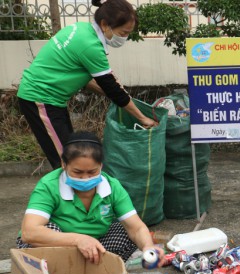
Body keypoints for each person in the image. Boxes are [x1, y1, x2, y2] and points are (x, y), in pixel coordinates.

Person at [17, 0, 157, 169]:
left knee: (70, 151)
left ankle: (77, 192)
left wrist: (116, 96)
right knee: (68, 161)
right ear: (105, 24)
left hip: (50, 100)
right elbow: (112, 87)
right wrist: (142, 118)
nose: (124, 38)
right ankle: (68, 193)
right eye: (123, 32)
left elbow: (88, 79)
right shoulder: (90, 46)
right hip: (40, 98)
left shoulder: (80, 29)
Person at [17, 131, 164, 265]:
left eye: (92, 172)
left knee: (125, 232)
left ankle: (99, 272)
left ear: (100, 166)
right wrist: (78, 240)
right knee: (49, 228)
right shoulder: (49, 186)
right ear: (64, 164)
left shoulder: (112, 187)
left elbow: (136, 228)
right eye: (77, 172)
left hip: (94, 246)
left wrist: (148, 247)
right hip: (58, 247)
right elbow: (29, 232)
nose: (85, 178)